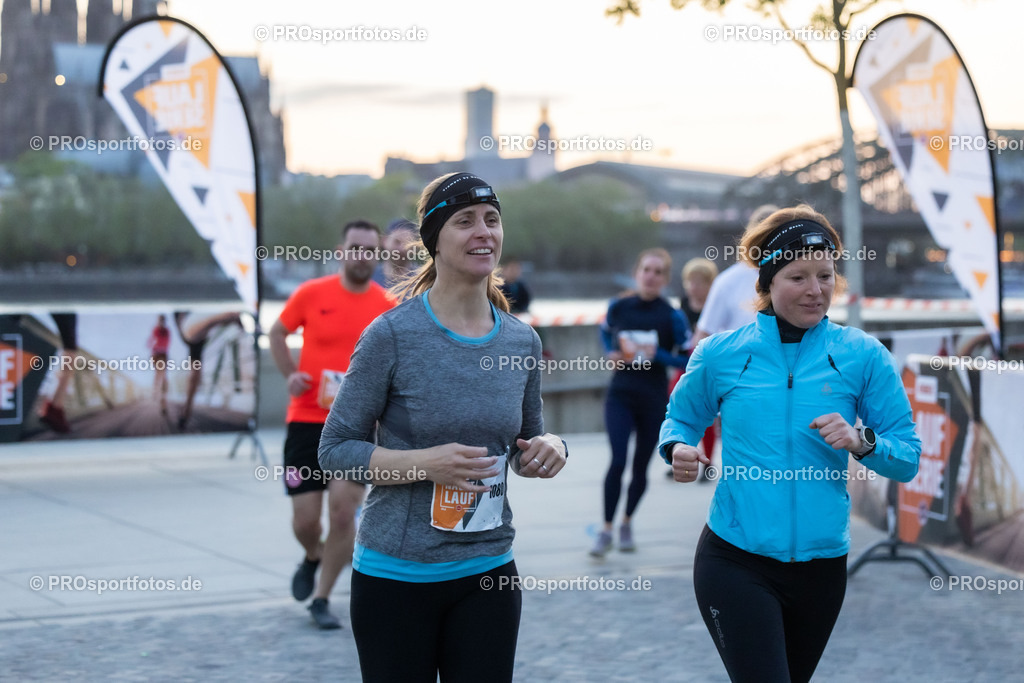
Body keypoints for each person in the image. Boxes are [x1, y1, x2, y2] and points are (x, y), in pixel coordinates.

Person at [318, 172, 567, 681]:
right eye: (465, 221)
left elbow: (523, 447)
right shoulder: (391, 335)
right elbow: (334, 448)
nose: (484, 232)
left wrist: (550, 447)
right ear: (434, 240)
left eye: (492, 220)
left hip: (489, 572)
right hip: (396, 577)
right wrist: (422, 465)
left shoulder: (521, 343)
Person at [659, 205, 921, 683]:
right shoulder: (721, 353)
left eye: (825, 276)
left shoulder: (861, 355)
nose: (816, 290)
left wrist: (862, 441)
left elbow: (907, 460)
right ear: (766, 283)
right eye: (798, 276)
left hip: (822, 567)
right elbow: (680, 418)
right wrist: (677, 448)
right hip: (734, 558)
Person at [268, 219, 395, 629]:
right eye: (354, 247)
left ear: (377, 255)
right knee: (307, 521)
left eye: (369, 249)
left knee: (343, 515)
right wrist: (289, 373)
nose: (361, 256)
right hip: (305, 421)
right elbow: (277, 332)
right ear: (341, 251)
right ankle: (313, 555)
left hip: (356, 427)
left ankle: (321, 598)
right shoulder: (311, 293)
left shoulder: (386, 307)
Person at [590, 248, 690, 556]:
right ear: (637, 273)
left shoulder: (672, 316)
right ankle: (606, 529)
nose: (651, 276)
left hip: (653, 398)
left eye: (658, 272)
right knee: (617, 460)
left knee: (640, 468)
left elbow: (688, 359)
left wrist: (657, 355)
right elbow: (605, 332)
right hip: (620, 394)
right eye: (646, 269)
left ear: (665, 279)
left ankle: (626, 522)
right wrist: (610, 352)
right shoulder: (618, 306)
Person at [690, 204, 779, 347]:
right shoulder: (727, 281)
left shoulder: (795, 279)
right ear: (753, 238)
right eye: (766, 235)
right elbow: (701, 339)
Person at [666, 258, 718, 481]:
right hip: (687, 362)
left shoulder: (716, 304)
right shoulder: (684, 304)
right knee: (677, 406)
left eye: (698, 282)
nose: (693, 287)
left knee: (707, 416)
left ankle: (708, 462)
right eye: (689, 282)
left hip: (710, 365)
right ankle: (680, 455)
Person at [372, 218, 418, 288]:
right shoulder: (369, 277)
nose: (402, 248)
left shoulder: (421, 280)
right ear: (384, 241)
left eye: (408, 244)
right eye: (397, 242)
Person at [147, 314, 171, 412]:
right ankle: (158, 394)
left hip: (160, 354)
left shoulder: (162, 331)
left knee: (161, 376)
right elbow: (151, 342)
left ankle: (159, 395)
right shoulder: (158, 330)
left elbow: (151, 343)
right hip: (158, 354)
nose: (161, 323)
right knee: (160, 375)